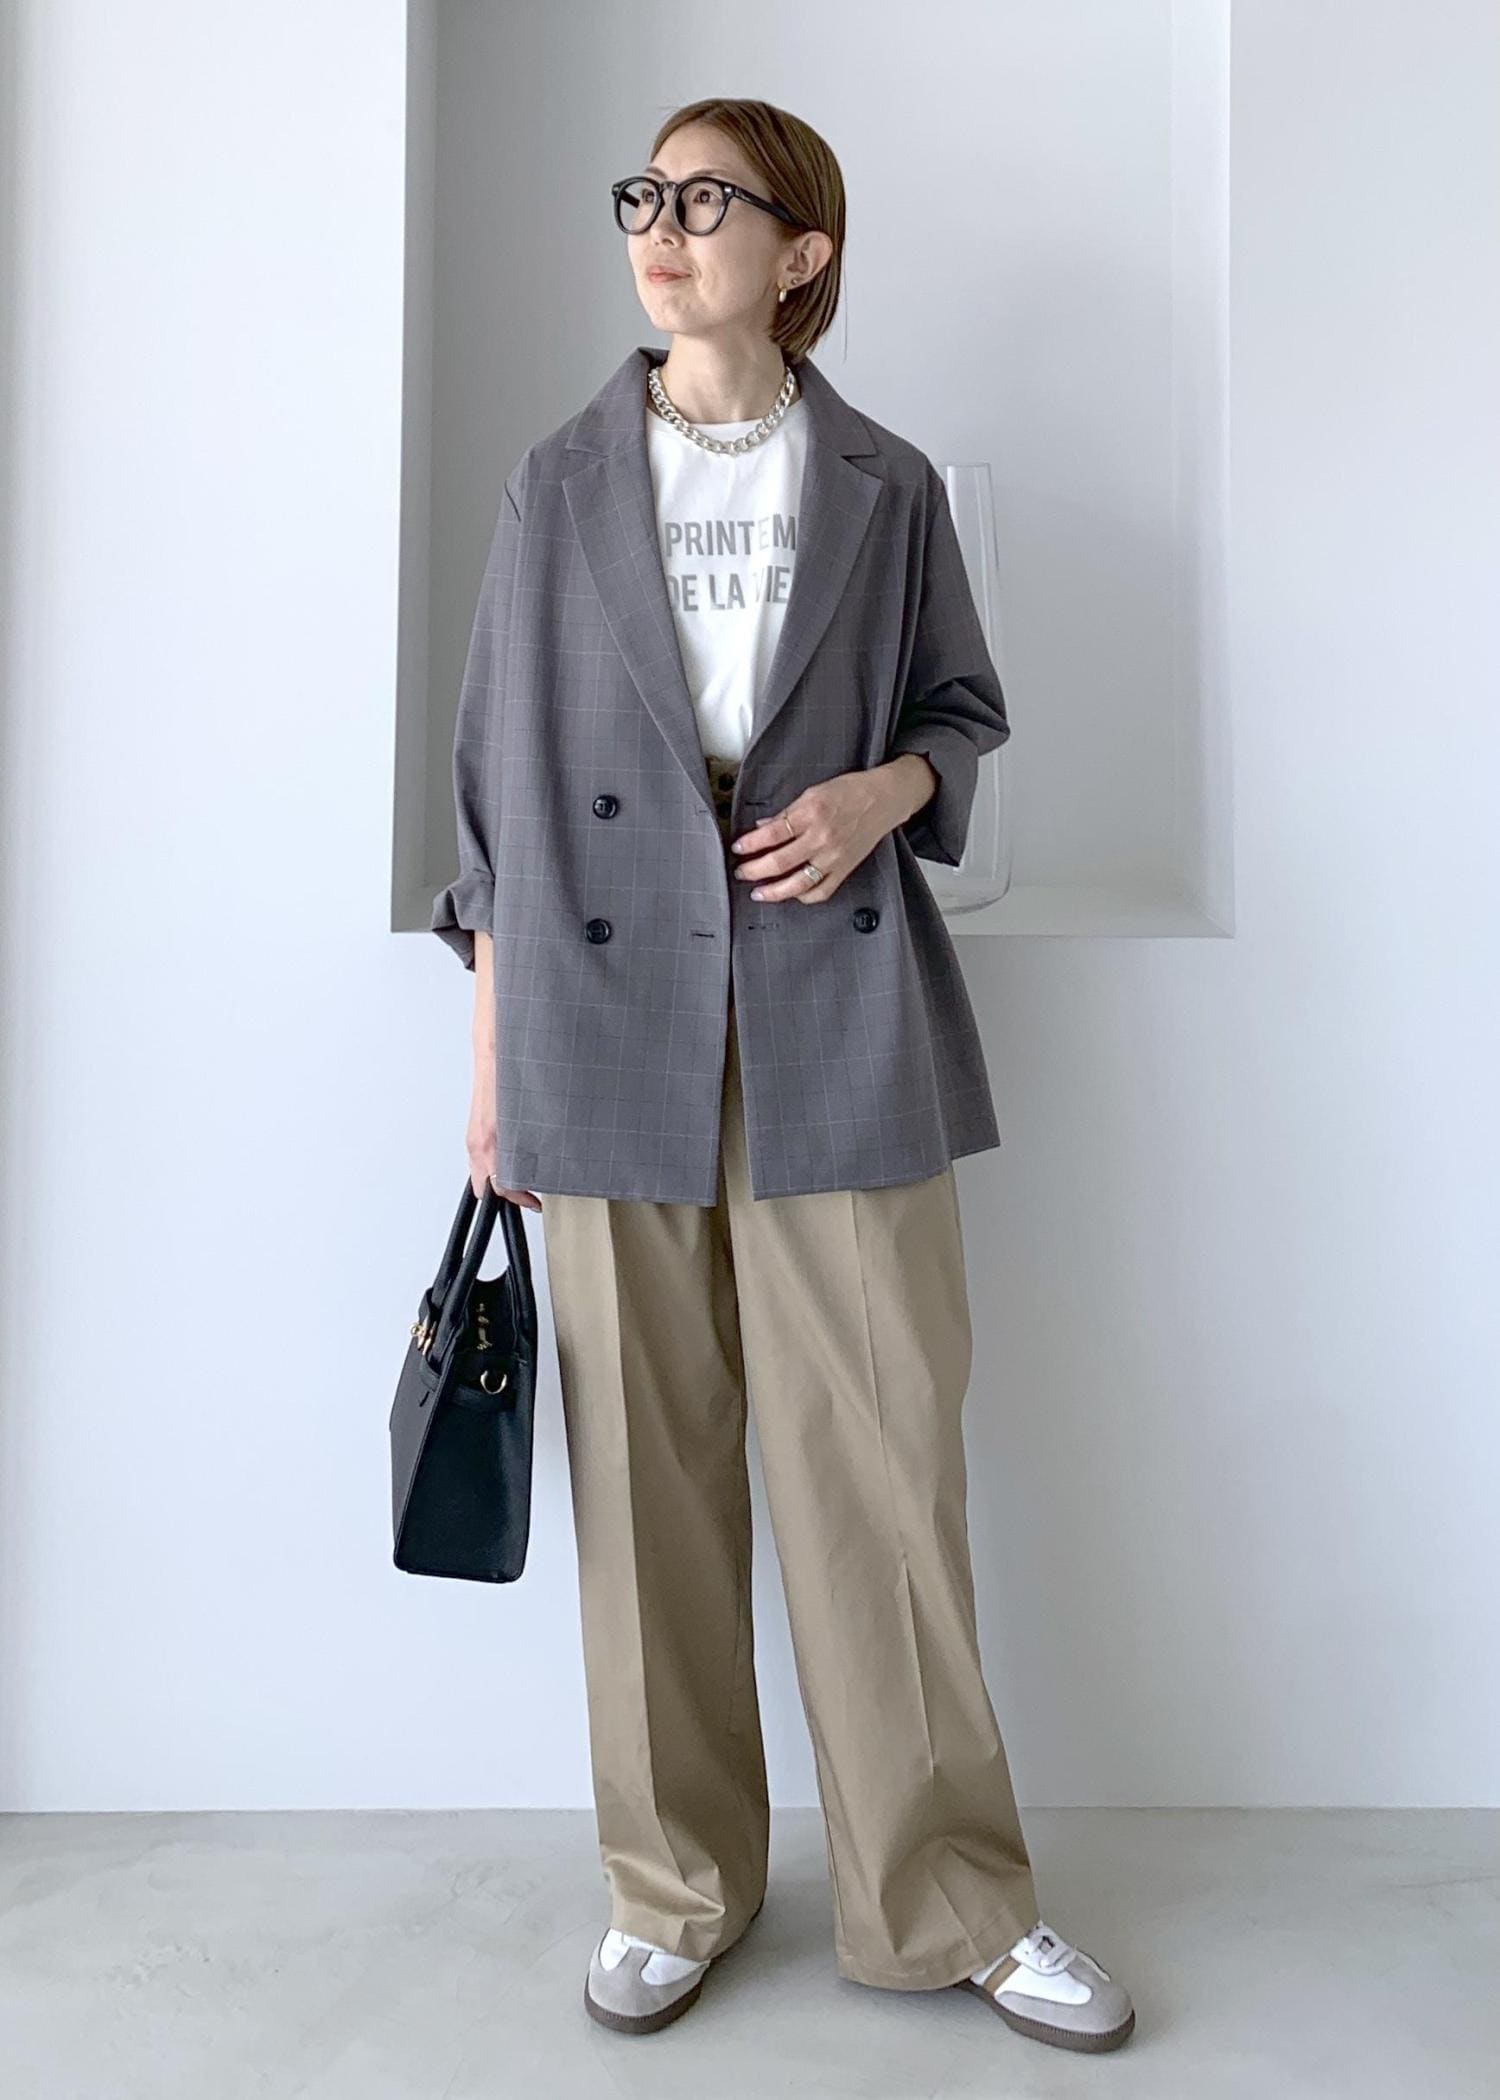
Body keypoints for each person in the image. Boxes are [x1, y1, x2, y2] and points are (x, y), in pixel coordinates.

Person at [431, 97, 1135, 2055]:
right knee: (644, 1479)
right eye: (643, 196)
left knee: (884, 1466)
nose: (661, 227)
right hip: (599, 1018)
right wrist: (490, 1079)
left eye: (707, 198)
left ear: (801, 249)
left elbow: (962, 714)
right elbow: (491, 805)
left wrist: (878, 795)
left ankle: (954, 1900)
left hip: (837, 1004)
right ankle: (674, 1888)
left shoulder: (886, 486)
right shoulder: (557, 485)